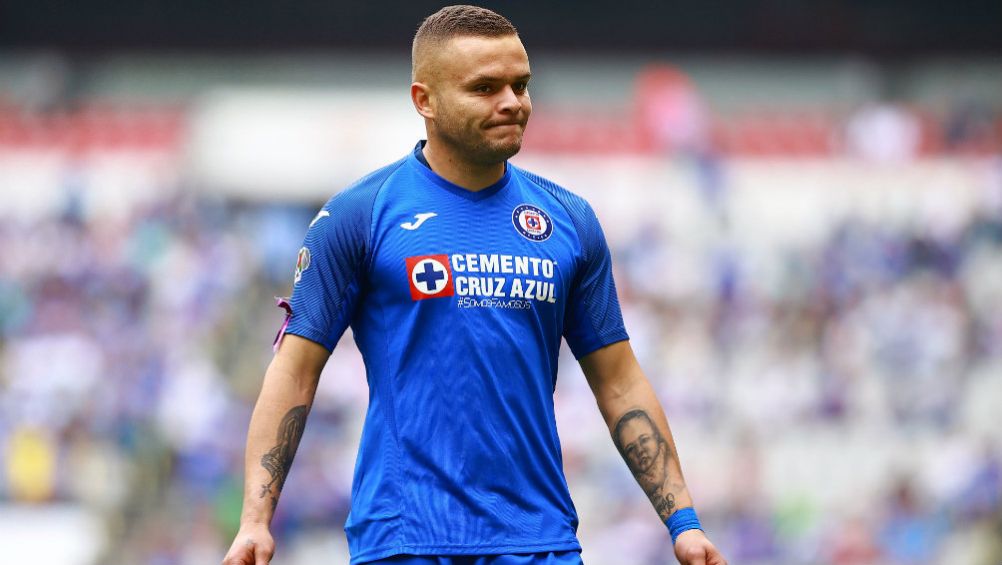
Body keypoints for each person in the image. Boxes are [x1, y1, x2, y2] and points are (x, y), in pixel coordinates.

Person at [222, 5, 727, 565]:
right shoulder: (359, 215)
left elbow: (620, 382)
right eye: (485, 88)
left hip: (540, 540)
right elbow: (294, 372)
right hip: (405, 540)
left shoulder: (569, 219)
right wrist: (255, 520)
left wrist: (683, 522)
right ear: (425, 100)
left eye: (520, 85)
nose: (512, 102)